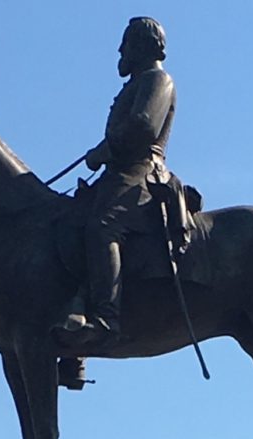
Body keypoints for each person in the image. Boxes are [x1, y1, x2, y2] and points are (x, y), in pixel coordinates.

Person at [65, 16, 177, 350]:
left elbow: (143, 126)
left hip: (141, 172)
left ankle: (106, 319)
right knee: (70, 222)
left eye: (126, 43)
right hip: (119, 173)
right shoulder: (137, 82)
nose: (120, 50)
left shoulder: (158, 80)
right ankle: (73, 326)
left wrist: (105, 150)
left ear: (143, 45)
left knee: (102, 227)